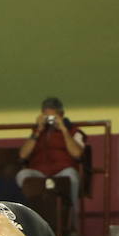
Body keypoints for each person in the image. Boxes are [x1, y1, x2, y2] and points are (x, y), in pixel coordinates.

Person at [16, 96, 86, 226]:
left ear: (61, 115)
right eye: (46, 116)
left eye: (53, 117)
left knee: (72, 175)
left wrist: (64, 130)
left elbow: (77, 154)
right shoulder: (37, 132)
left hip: (63, 172)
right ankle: (25, 223)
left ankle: (73, 224)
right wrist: (38, 131)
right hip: (39, 172)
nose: (50, 121)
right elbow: (22, 155)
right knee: (22, 175)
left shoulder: (73, 131)